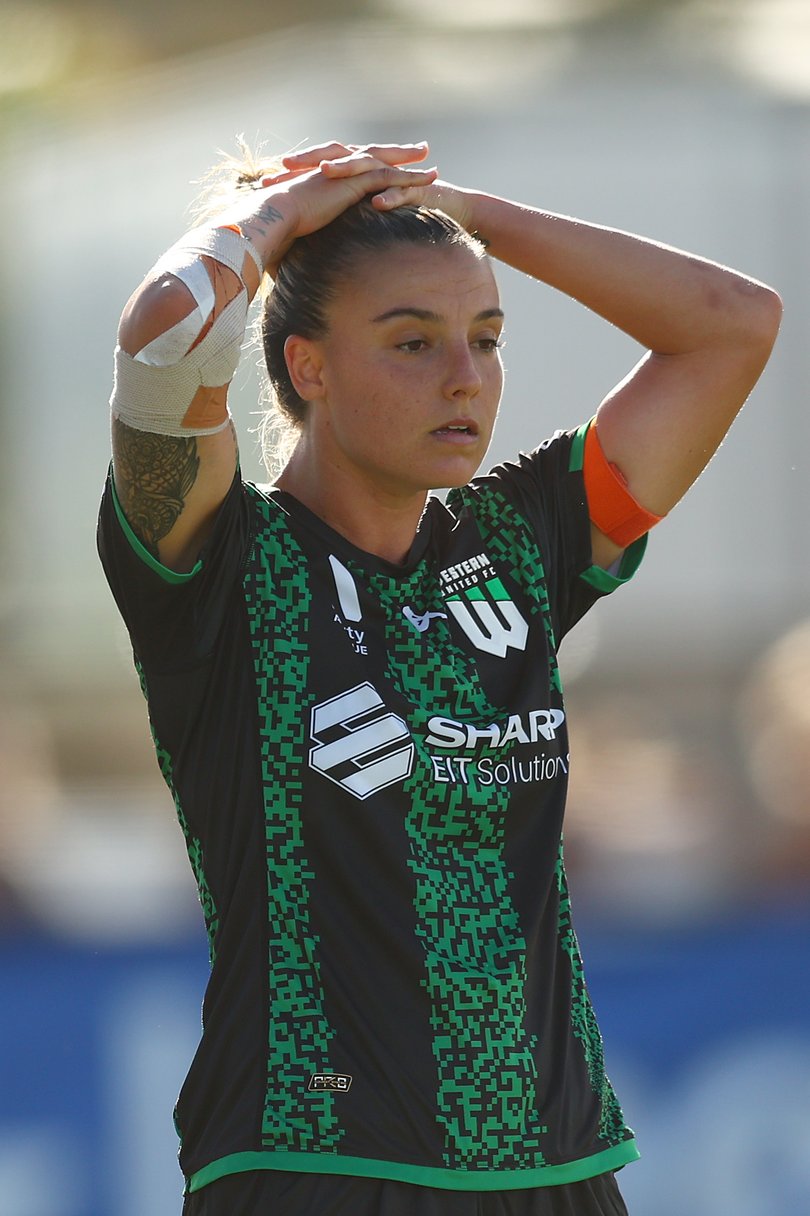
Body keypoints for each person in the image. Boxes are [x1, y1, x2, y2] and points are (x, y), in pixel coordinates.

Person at [97, 140, 781, 1216]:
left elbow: (734, 325)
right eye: (413, 342)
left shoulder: (518, 540)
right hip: (317, 1169)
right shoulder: (225, 567)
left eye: (488, 338)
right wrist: (270, 221)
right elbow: (164, 338)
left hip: (557, 1173)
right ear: (307, 366)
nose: (466, 376)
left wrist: (467, 213)